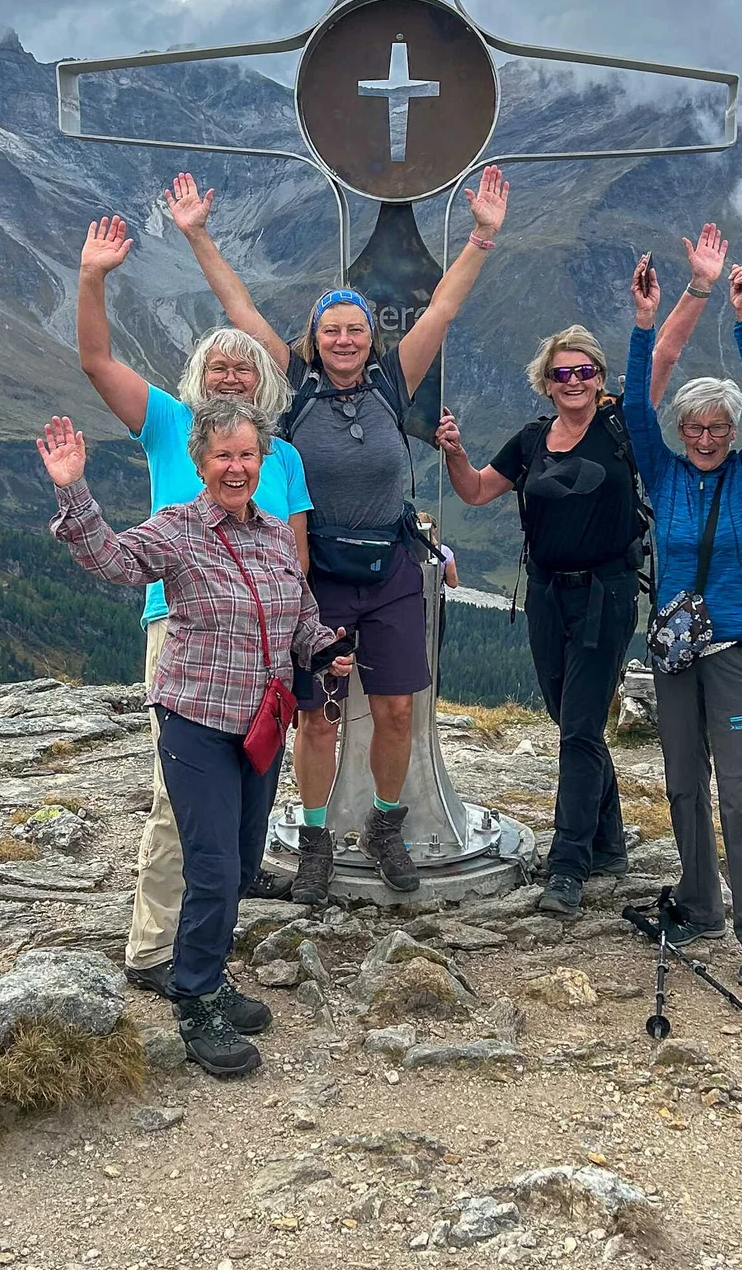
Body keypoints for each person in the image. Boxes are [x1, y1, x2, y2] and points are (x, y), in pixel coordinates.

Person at [164, 163, 510, 903]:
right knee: (318, 718)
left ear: (367, 337)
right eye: (332, 330)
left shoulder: (393, 381)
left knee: (395, 709)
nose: (346, 339)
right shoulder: (290, 390)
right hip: (318, 577)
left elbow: (441, 313)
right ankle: (317, 838)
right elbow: (240, 308)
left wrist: (481, 237)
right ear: (314, 341)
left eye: (355, 328)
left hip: (389, 571)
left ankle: (387, 826)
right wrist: (198, 236)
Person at [36, 399, 351, 1078]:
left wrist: (324, 651)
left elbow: (299, 615)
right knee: (210, 865)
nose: (237, 467)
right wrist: (73, 488)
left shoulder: (271, 534)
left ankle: (205, 970)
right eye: (224, 456)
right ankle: (194, 997)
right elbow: (114, 561)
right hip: (196, 722)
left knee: (239, 862)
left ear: (261, 462)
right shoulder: (179, 529)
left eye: (248, 455)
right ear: (201, 462)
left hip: (259, 725)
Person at [75, 214, 312, 995]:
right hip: (179, 627)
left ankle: (201, 947)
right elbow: (97, 359)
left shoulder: (281, 456)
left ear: (262, 386)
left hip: (264, 644)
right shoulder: (168, 425)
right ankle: (155, 953)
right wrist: (94, 277)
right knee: (179, 802)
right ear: (197, 378)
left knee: (236, 814)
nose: (232, 375)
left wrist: (304, 651)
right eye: (219, 365)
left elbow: (294, 564)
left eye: (245, 368)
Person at [436, 323, 649, 915]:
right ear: (546, 383)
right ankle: (608, 844)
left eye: (586, 372)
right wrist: (455, 452)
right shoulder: (531, 440)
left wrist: (661, 313)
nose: (575, 381)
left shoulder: (620, 427)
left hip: (606, 592)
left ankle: (568, 866)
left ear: (601, 380)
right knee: (569, 718)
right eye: (563, 373)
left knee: (579, 729)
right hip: (546, 596)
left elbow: (665, 359)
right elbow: (477, 491)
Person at [622, 223, 742, 988]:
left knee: (740, 791)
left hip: (738, 651)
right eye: (695, 426)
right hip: (675, 653)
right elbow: (630, 407)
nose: (708, 436)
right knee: (683, 781)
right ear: (681, 431)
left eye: (719, 426)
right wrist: (644, 325)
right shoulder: (666, 472)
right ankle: (699, 900)